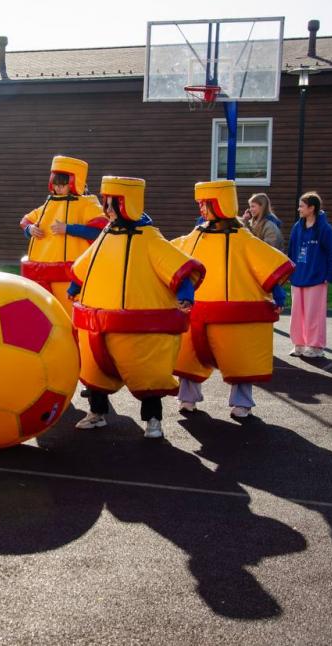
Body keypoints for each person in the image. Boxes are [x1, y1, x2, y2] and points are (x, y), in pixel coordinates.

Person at [67, 176, 205, 439]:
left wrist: (185, 294)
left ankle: (153, 420)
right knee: (95, 371)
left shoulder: (149, 238)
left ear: (127, 204)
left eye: (112, 204)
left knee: (147, 376)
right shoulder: (107, 234)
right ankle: (97, 413)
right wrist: (75, 286)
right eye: (106, 204)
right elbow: (86, 264)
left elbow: (178, 268)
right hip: (98, 323)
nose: (107, 210)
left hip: (139, 329)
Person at [172, 180, 294, 420]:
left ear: (219, 204)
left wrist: (277, 290)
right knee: (188, 357)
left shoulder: (242, 238)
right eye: (200, 204)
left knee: (240, 360)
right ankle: (187, 398)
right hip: (197, 312)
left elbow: (265, 261)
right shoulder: (196, 236)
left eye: (205, 204)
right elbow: (174, 256)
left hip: (234, 314)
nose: (201, 208)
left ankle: (242, 402)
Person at [20, 156, 107, 318]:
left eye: (63, 185)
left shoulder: (87, 204)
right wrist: (30, 229)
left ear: (75, 183)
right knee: (44, 315)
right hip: (41, 274)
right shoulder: (49, 204)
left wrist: (68, 229)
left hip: (70, 276)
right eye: (56, 184)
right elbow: (26, 220)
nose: (58, 188)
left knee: (69, 314)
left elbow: (100, 232)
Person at [287, 191, 332, 359]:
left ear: (312, 208)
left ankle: (316, 346)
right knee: (297, 314)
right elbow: (291, 251)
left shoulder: (325, 229)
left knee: (314, 314)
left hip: (317, 278)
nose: (299, 209)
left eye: (302, 206)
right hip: (298, 277)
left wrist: (331, 274)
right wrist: (289, 272)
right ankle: (299, 344)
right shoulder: (297, 227)